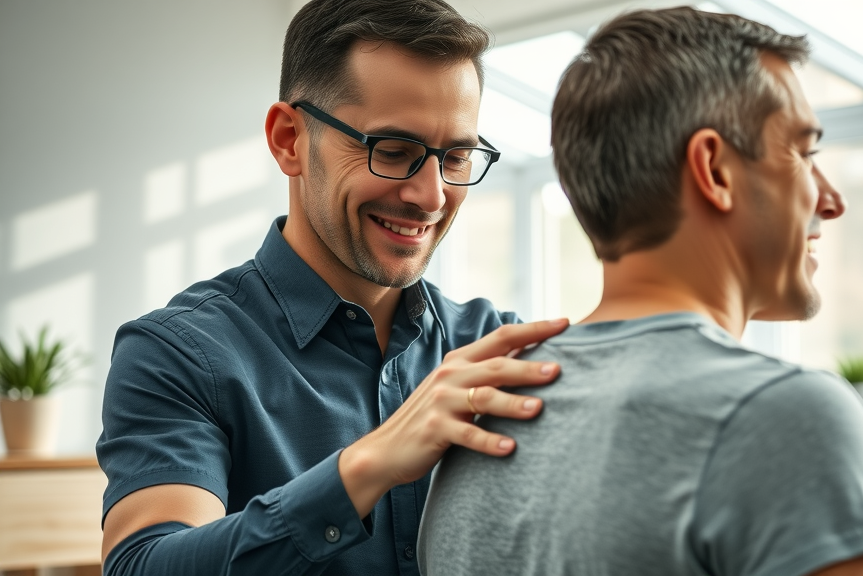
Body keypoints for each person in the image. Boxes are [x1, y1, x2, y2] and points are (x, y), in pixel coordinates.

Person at [419, 7, 863, 576]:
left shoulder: (472, 420)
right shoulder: (785, 417)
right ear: (715, 169)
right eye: (802, 154)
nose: (830, 200)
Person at [96, 1, 568, 574]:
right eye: (393, 151)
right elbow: (143, 566)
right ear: (289, 139)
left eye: (457, 157)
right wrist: (369, 466)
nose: (433, 196)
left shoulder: (496, 345)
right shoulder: (178, 354)